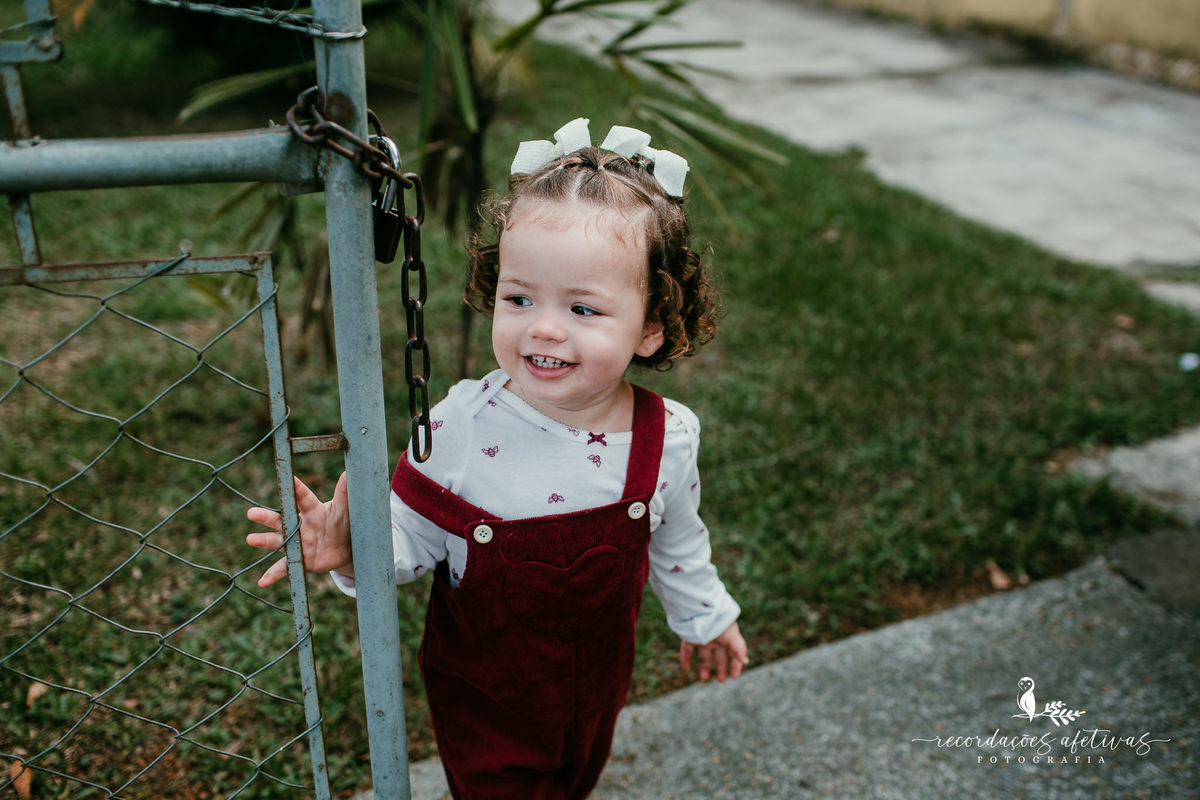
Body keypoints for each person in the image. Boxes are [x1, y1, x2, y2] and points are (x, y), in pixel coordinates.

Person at [246, 117, 748, 800]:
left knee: (573, 781)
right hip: (486, 701)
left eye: (582, 308)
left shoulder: (666, 436)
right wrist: (354, 541)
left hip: (595, 689)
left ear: (653, 325)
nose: (543, 326)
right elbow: (410, 539)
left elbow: (678, 538)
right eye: (519, 298)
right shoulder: (462, 427)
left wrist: (707, 617)